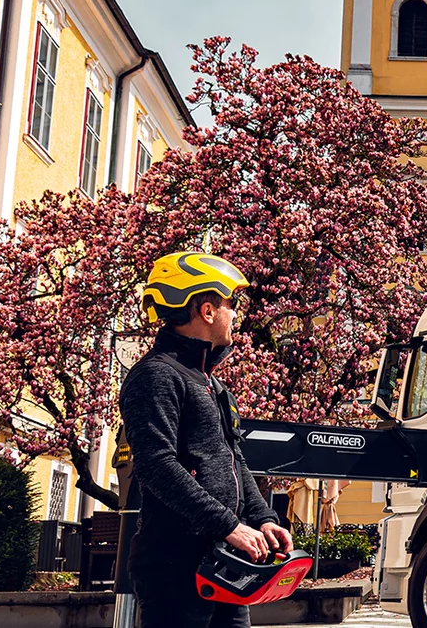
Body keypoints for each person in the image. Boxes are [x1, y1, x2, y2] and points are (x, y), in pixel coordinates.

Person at [121, 252, 293, 627]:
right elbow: (156, 466)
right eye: (230, 304)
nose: (236, 315)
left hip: (221, 561)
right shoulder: (156, 376)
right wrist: (230, 526)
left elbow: (234, 460)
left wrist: (262, 518)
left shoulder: (213, 385)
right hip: (173, 565)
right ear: (207, 310)